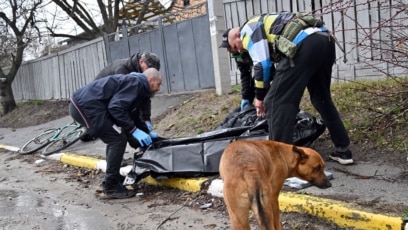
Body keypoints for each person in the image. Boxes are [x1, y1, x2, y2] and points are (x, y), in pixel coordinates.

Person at [227, 12, 353, 165]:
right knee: (321, 98)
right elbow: (276, 73)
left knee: (275, 102)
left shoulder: (248, 29)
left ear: (236, 35)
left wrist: (259, 98)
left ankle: (281, 164)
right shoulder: (268, 24)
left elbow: (263, 65)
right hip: (324, 40)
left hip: (303, 44)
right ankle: (343, 150)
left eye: (235, 47)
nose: (239, 51)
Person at [69, 68, 163, 199]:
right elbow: (116, 107)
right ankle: (110, 186)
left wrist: (146, 132)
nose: (159, 88)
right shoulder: (135, 84)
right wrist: (134, 131)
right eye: (158, 84)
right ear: (150, 80)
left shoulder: (139, 87)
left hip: (87, 105)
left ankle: (114, 177)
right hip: (85, 106)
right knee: (117, 140)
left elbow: (133, 115)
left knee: (118, 138)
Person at [94, 52, 161, 134]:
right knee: (119, 138)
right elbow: (125, 105)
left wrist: (146, 119)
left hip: (113, 101)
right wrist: (134, 130)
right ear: (141, 62)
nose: (150, 71)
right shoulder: (122, 70)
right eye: (149, 68)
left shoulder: (143, 75)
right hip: (99, 99)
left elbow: (146, 96)